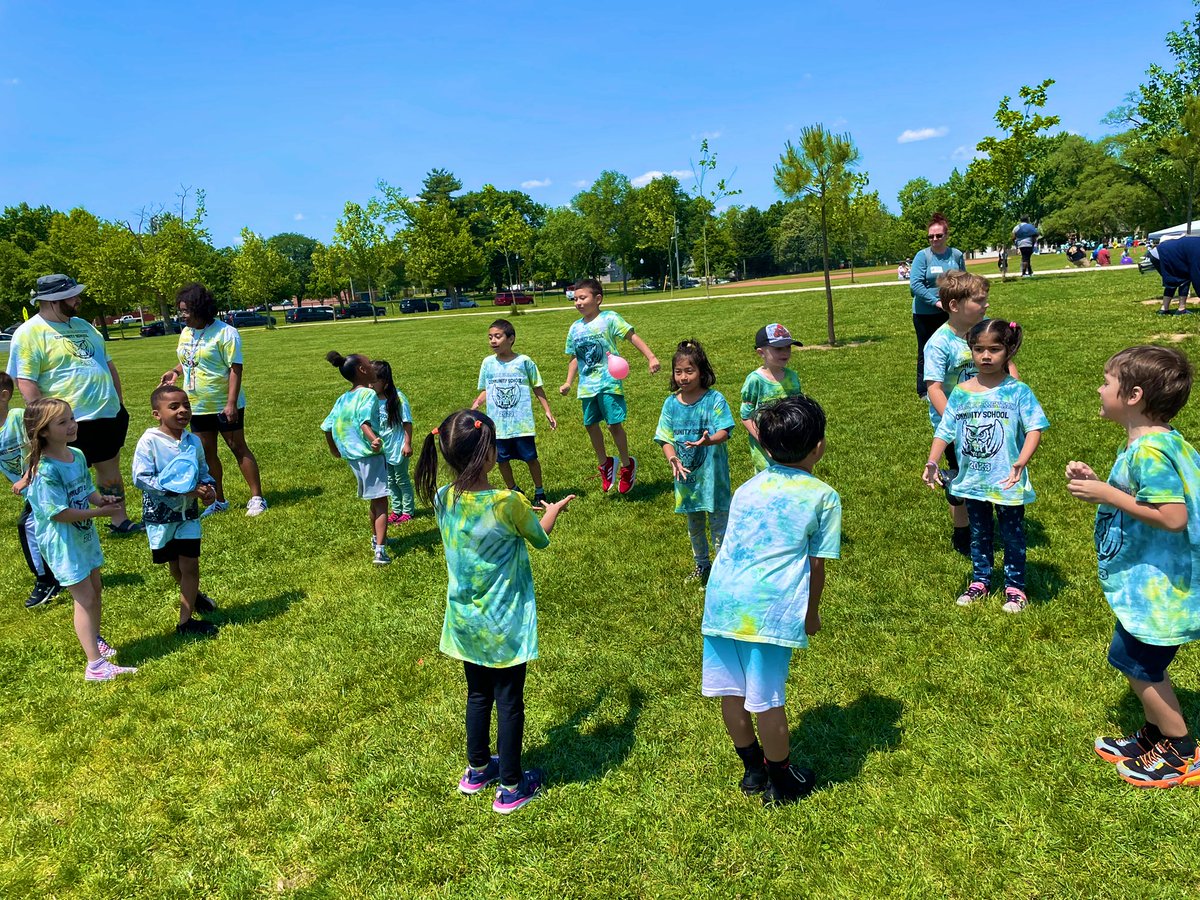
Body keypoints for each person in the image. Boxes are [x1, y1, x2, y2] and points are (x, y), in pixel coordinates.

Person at [414, 409, 575, 814]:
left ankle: (478, 768)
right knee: (509, 702)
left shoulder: (442, 498)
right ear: (488, 455)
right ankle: (510, 786)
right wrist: (551, 511)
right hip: (503, 624)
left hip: (466, 623)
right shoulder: (508, 502)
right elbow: (538, 538)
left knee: (477, 695)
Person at [1067, 346, 1200, 788]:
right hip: (1153, 582)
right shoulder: (1156, 441)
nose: (1099, 389)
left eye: (1107, 382)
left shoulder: (1150, 451)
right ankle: (1153, 735)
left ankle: (1181, 749)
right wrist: (1100, 482)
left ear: (1133, 395)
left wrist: (1107, 495)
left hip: (1160, 590)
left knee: (1136, 663)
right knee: (1134, 659)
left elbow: (1172, 516)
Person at [702, 395, 840, 806]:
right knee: (767, 699)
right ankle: (782, 782)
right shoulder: (823, 496)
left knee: (732, 692)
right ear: (819, 446)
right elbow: (816, 566)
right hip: (768, 610)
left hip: (723, 602)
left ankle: (752, 771)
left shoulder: (747, 488)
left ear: (763, 445)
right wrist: (810, 613)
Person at [923, 320, 1048, 611]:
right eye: (979, 349)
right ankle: (980, 581)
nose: (986, 356)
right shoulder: (962, 392)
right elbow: (946, 429)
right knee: (979, 532)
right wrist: (932, 460)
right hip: (973, 480)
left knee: (1012, 534)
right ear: (971, 351)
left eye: (994, 349)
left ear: (1008, 351)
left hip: (1006, 479)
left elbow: (1035, 428)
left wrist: (1022, 460)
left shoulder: (1017, 391)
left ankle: (1015, 587)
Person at [6, 274, 142, 534]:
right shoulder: (29, 333)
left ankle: (119, 520)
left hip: (106, 413)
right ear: (52, 300)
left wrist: (119, 402)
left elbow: (107, 364)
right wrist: (44, 420)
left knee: (110, 468)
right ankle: (72, 525)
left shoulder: (85, 326)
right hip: (65, 420)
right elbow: (26, 381)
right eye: (72, 295)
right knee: (65, 474)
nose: (78, 299)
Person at [22, 398, 136, 681]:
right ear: (43, 431)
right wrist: (100, 512)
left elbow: (86, 489)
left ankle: (94, 638)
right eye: (63, 422)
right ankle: (95, 666)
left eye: (72, 419)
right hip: (62, 543)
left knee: (95, 590)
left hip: (83, 536)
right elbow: (57, 513)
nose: (72, 425)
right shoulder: (45, 470)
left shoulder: (77, 455)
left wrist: (101, 498)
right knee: (84, 598)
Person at [160, 282, 267, 518]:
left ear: (201, 309)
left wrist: (231, 403)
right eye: (180, 310)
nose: (182, 315)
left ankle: (257, 498)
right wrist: (176, 372)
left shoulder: (226, 333)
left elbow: (235, 369)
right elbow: (191, 359)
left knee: (237, 447)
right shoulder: (187, 332)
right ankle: (219, 500)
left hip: (223, 403)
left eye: (186, 310)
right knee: (207, 453)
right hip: (196, 405)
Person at [131, 384, 220, 637]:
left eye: (186, 405)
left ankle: (185, 622)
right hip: (161, 518)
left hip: (188, 516)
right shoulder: (150, 441)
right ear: (157, 414)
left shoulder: (193, 441)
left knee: (190, 565)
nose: (183, 410)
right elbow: (141, 478)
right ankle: (195, 597)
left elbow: (203, 472)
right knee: (175, 568)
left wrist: (208, 489)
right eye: (174, 407)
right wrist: (183, 492)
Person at [559, 278, 660, 495]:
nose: (578, 302)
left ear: (598, 299)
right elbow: (575, 358)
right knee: (590, 425)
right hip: (587, 386)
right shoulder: (575, 328)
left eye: (582, 298)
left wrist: (651, 357)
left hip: (608, 382)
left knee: (614, 425)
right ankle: (605, 463)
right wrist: (569, 381)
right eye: (575, 299)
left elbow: (632, 337)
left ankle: (626, 464)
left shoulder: (609, 318)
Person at [922, 272, 991, 556]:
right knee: (962, 479)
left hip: (989, 419)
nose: (986, 305)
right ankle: (963, 533)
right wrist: (953, 421)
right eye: (979, 301)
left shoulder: (985, 333)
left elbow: (1006, 365)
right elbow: (934, 387)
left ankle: (985, 524)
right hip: (955, 426)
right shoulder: (939, 343)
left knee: (986, 473)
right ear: (954, 305)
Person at [655, 340, 735, 586]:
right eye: (678, 372)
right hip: (686, 478)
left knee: (719, 525)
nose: (683, 377)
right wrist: (672, 459)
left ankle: (722, 570)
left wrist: (709, 440)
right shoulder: (671, 403)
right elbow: (664, 438)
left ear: (702, 372)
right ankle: (702, 564)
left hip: (713, 478)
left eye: (689, 371)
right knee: (695, 525)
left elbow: (725, 430)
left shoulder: (714, 400)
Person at [472, 319, 557, 504]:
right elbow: (486, 389)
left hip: (521, 424)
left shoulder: (524, 362)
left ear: (510, 339)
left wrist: (547, 411)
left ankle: (539, 491)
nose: (493, 341)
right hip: (497, 425)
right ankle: (514, 489)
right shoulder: (487, 363)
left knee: (531, 458)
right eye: (490, 337)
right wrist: (477, 404)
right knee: (501, 460)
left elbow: (537, 387)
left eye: (497, 336)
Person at [321, 351, 390, 565]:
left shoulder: (344, 397)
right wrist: (374, 440)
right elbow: (364, 422)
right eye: (369, 364)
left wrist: (334, 449)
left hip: (352, 457)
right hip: (369, 454)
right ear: (362, 370)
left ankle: (376, 539)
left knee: (374, 498)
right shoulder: (368, 395)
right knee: (381, 502)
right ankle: (380, 550)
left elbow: (327, 427)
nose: (372, 367)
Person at [2, 372, 61, 609]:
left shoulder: (17, 417)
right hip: (32, 491)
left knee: (27, 526)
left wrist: (27, 476)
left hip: (45, 482)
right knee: (54, 528)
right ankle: (64, 573)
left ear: (4, 396)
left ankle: (46, 581)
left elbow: (43, 443)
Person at [910, 214, 967, 398]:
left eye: (938, 235)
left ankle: (951, 382)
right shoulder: (923, 256)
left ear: (946, 235)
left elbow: (963, 281)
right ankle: (924, 390)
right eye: (931, 236)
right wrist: (936, 302)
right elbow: (916, 284)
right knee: (926, 350)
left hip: (951, 312)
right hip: (925, 313)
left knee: (952, 347)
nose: (934, 239)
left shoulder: (956, 255)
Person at [740, 324, 803, 473]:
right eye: (778, 348)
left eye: (788, 347)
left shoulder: (792, 377)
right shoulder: (755, 380)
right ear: (761, 353)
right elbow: (746, 416)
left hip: (790, 442)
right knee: (768, 484)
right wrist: (764, 442)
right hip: (765, 448)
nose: (785, 352)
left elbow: (799, 408)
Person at [372, 360, 416, 525]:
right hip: (385, 449)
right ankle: (396, 510)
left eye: (374, 381)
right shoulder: (373, 399)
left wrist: (407, 443)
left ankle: (408, 511)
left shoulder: (397, 398)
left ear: (385, 382)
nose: (370, 384)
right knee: (390, 481)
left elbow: (407, 422)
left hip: (398, 446)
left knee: (402, 479)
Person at [1147, 235, 1200, 315]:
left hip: (1159, 253)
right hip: (1162, 254)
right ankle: (1181, 309)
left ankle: (1164, 309)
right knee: (1182, 278)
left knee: (1175, 279)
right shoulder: (1198, 250)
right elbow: (1196, 275)